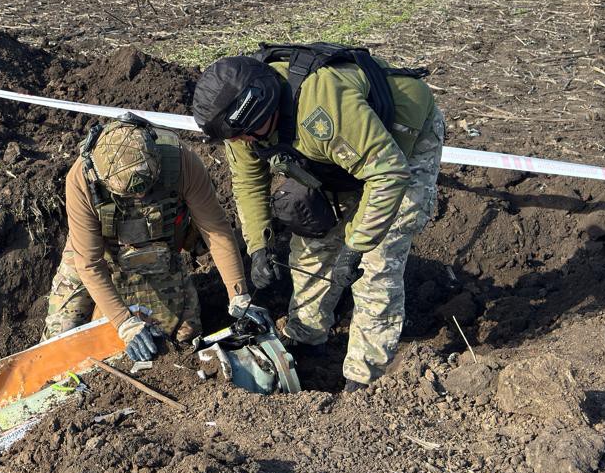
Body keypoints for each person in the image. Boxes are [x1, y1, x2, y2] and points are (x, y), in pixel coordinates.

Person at [190, 43, 444, 392]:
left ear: (263, 108)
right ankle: (305, 341)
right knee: (311, 243)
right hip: (335, 158)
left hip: (401, 147)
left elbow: (388, 174)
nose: (242, 142)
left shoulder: (320, 107)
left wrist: (356, 246)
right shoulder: (239, 124)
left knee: (377, 263)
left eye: (246, 134)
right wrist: (258, 247)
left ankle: (364, 378)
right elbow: (248, 182)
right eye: (236, 137)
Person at [43, 114, 270, 362]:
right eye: (130, 195)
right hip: (99, 251)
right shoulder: (81, 180)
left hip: (158, 245)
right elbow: (89, 263)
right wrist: (125, 323)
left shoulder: (181, 161)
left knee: (180, 338)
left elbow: (215, 229)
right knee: (59, 341)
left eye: (146, 190)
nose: (140, 199)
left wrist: (239, 296)